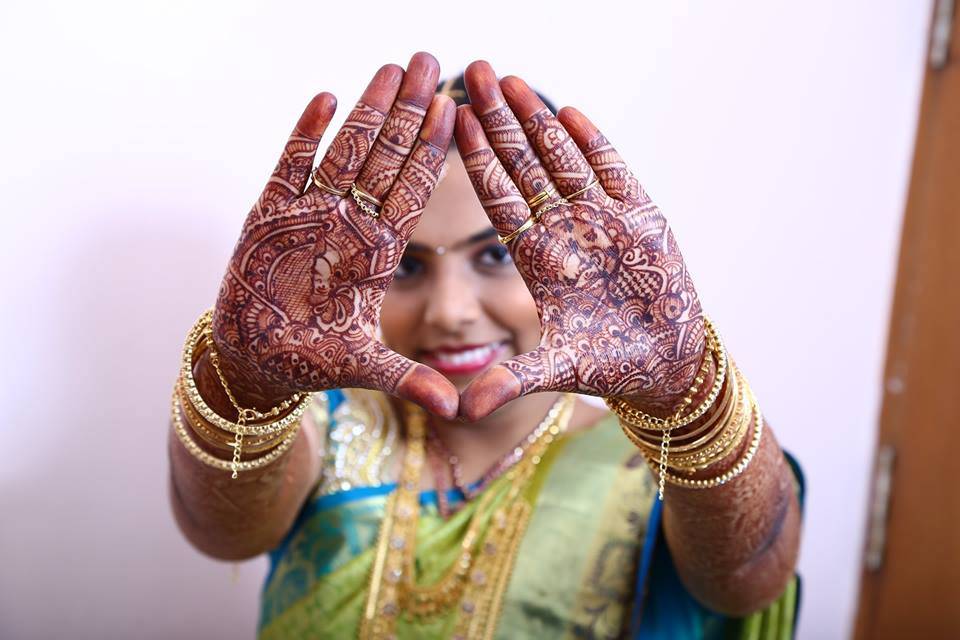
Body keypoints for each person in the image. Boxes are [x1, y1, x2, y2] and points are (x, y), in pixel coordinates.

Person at [168, 52, 803, 639]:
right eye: (407, 268)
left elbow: (747, 581)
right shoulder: (329, 425)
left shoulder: (653, 464)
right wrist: (244, 388)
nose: (450, 312)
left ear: (576, 262)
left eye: (495, 255)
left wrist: (684, 394)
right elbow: (221, 530)